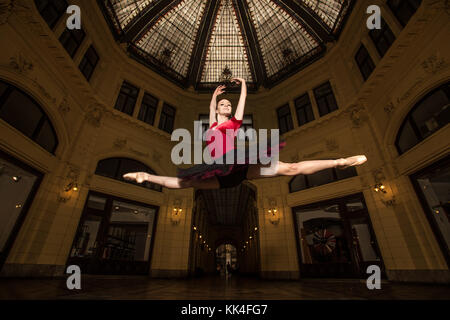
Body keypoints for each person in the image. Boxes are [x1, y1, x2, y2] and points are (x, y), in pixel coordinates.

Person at [123, 78, 367, 189]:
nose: (227, 107)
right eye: (223, 105)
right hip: (219, 170)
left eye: (229, 106)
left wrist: (243, 89)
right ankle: (146, 176)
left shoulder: (234, 123)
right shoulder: (211, 125)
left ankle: (339, 162)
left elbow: (242, 104)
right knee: (185, 183)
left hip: (239, 167)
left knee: (290, 168)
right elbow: (209, 108)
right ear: (217, 109)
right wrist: (214, 96)